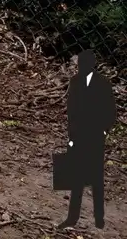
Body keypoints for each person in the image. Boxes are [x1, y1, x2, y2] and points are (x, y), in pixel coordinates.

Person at [59, 51, 115, 230]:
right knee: (77, 180)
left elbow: (111, 111)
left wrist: (104, 131)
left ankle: (99, 219)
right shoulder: (75, 82)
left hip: (96, 137)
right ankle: (72, 218)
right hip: (79, 136)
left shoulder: (103, 84)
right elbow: (71, 112)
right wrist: (71, 137)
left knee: (97, 179)